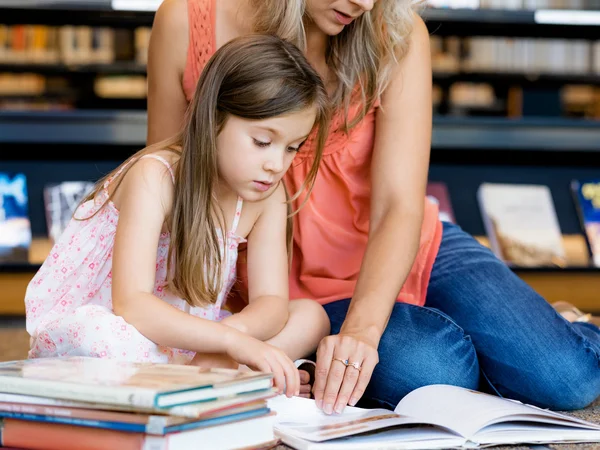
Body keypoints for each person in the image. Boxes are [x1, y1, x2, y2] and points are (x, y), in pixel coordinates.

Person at [146, 0, 600, 413]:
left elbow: (398, 206)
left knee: (566, 378)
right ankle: (493, 350)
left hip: (404, 247)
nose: (363, 3)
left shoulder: (396, 31)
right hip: (279, 287)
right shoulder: (186, 22)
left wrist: (362, 332)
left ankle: (560, 327)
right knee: (431, 372)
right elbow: (168, 188)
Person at [24, 34, 332, 399]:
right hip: (130, 330)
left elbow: (272, 302)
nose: (276, 164)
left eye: (292, 148)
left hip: (198, 340)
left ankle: (204, 376)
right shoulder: (154, 176)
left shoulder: (268, 196)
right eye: (263, 142)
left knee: (312, 316)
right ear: (214, 117)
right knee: (98, 337)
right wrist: (232, 345)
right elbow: (132, 304)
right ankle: (226, 377)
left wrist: (233, 338)